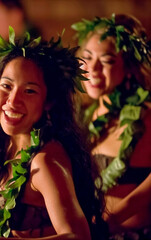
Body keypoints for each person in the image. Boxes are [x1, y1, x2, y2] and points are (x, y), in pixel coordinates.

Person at [0, 27, 107, 240]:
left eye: (29, 91)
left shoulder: (44, 161)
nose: (12, 100)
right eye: (6, 86)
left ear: (49, 102)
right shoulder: (4, 144)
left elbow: (78, 236)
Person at [72, 14, 151, 239]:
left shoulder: (145, 115)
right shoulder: (87, 115)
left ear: (129, 66)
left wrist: (111, 222)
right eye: (87, 58)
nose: (93, 68)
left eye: (106, 60)